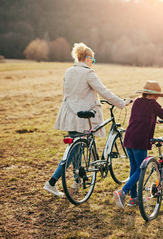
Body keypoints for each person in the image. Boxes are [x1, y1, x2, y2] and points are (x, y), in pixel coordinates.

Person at [43, 42, 131, 197]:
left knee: (77, 148)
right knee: (73, 152)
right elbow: (103, 91)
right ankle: (52, 182)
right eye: (93, 60)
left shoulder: (69, 71)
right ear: (88, 58)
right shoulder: (88, 73)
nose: (93, 62)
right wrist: (121, 103)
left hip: (70, 114)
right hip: (83, 116)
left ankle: (78, 179)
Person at [113, 80, 163, 209]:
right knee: (140, 170)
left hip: (129, 138)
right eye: (157, 95)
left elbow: (139, 117)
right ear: (153, 95)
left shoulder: (137, 101)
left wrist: (154, 120)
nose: (157, 98)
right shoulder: (153, 104)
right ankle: (122, 191)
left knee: (134, 169)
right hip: (140, 141)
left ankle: (134, 199)